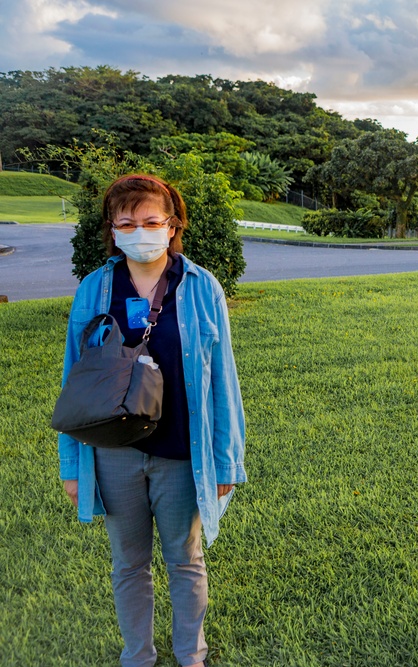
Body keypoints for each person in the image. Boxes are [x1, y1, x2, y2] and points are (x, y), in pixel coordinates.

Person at [58, 174, 247, 667]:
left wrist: (227, 459)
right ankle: (137, 656)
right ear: (112, 230)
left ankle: (192, 656)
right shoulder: (95, 289)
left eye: (150, 221)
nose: (138, 230)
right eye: (126, 222)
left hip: (182, 452)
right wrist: (72, 465)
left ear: (172, 225)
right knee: (128, 566)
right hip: (113, 453)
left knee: (186, 561)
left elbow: (223, 377)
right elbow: (73, 383)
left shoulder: (202, 286)